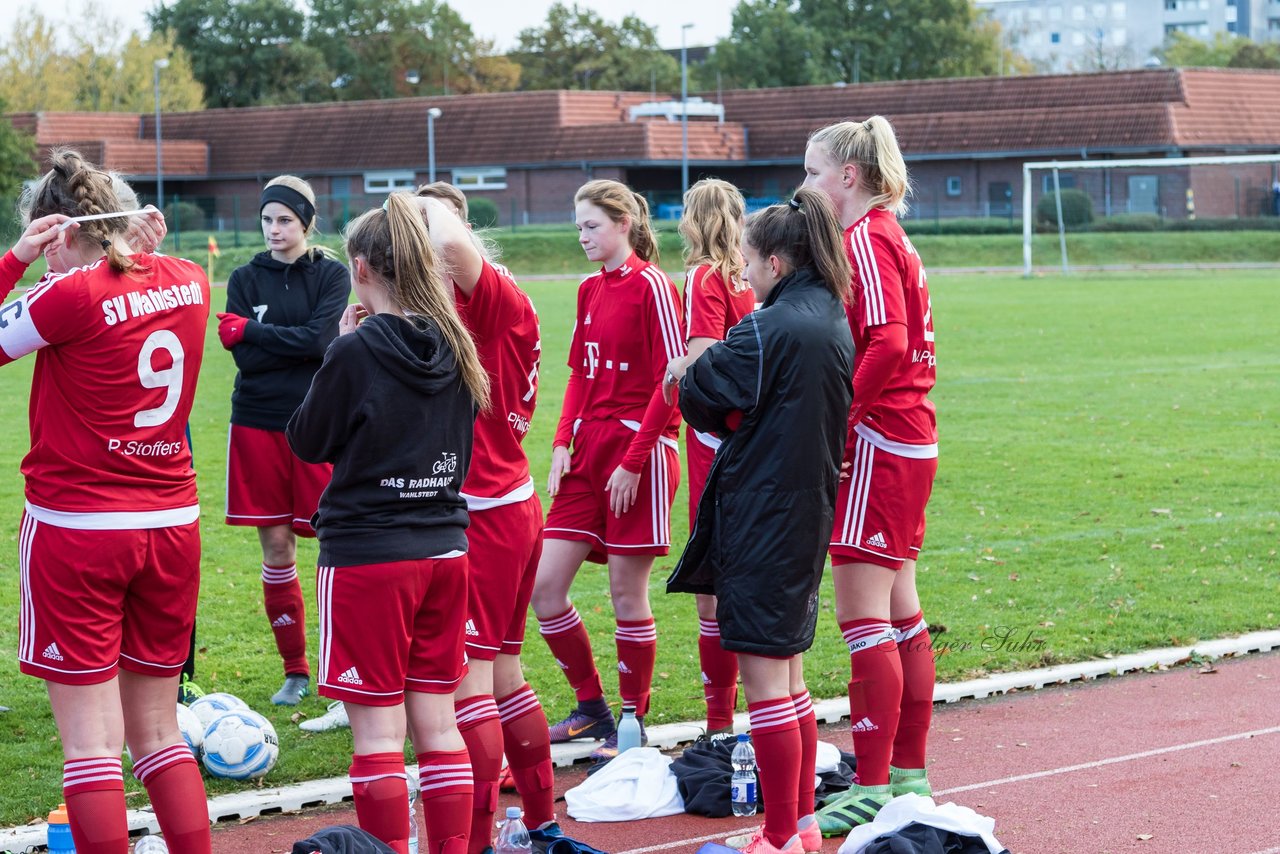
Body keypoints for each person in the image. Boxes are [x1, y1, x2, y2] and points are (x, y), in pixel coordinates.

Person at [1, 148, 212, 853]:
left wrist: (15, 262)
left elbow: (75, 294)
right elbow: (141, 276)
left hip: (80, 531)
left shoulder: (67, 295)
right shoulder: (192, 278)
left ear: (58, 231)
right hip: (172, 526)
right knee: (158, 733)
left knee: (92, 748)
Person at [286, 192, 488, 854]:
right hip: (444, 551)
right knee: (437, 725)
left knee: (377, 735)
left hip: (370, 553)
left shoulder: (356, 349)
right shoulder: (456, 341)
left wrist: (339, 350)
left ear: (363, 269)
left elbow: (308, 440)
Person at [666, 188, 855, 854]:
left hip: (764, 513)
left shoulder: (771, 327)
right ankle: (799, 824)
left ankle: (778, 836)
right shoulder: (829, 312)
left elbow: (700, 391)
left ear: (776, 260)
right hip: (803, 507)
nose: (741, 274)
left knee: (769, 685)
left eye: (748, 260)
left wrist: (682, 374)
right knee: (792, 681)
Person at [802, 116, 940, 836]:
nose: (805, 184)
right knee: (900, 611)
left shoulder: (865, 237)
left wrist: (839, 414)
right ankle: (906, 771)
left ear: (847, 177)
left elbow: (888, 340)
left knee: (863, 617)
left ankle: (877, 780)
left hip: (880, 442)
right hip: (907, 441)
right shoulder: (885, 233)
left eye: (813, 171)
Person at [414, 183, 557, 852]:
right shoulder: (476, 303)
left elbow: (446, 238)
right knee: (504, 673)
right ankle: (538, 824)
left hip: (483, 514)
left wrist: (420, 211)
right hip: (509, 502)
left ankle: (477, 840)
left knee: (469, 686)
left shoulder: (491, 295)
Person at [530, 179, 685, 761]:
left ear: (624, 224)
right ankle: (591, 708)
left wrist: (634, 460)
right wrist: (561, 442)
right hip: (586, 453)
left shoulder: (653, 287)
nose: (582, 237)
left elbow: (673, 380)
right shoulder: (588, 289)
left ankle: (631, 720)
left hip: (637, 455)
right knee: (545, 589)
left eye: (591, 226)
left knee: (626, 592)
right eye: (577, 227)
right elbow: (577, 374)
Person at [218, 175, 350, 707]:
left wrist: (249, 331)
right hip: (255, 423)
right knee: (276, 547)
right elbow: (246, 361)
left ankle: (343, 670)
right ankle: (295, 670)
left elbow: (324, 342)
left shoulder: (332, 275)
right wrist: (279, 346)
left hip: (317, 424)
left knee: (336, 546)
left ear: (306, 223)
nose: (274, 230)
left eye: (285, 221)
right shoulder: (244, 277)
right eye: (268, 219)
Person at [677, 178, 755, 735]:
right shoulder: (748, 273)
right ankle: (757, 714)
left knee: (713, 594)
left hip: (713, 441)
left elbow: (706, 360)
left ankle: (719, 726)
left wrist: (673, 371)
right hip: (752, 434)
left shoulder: (705, 275)